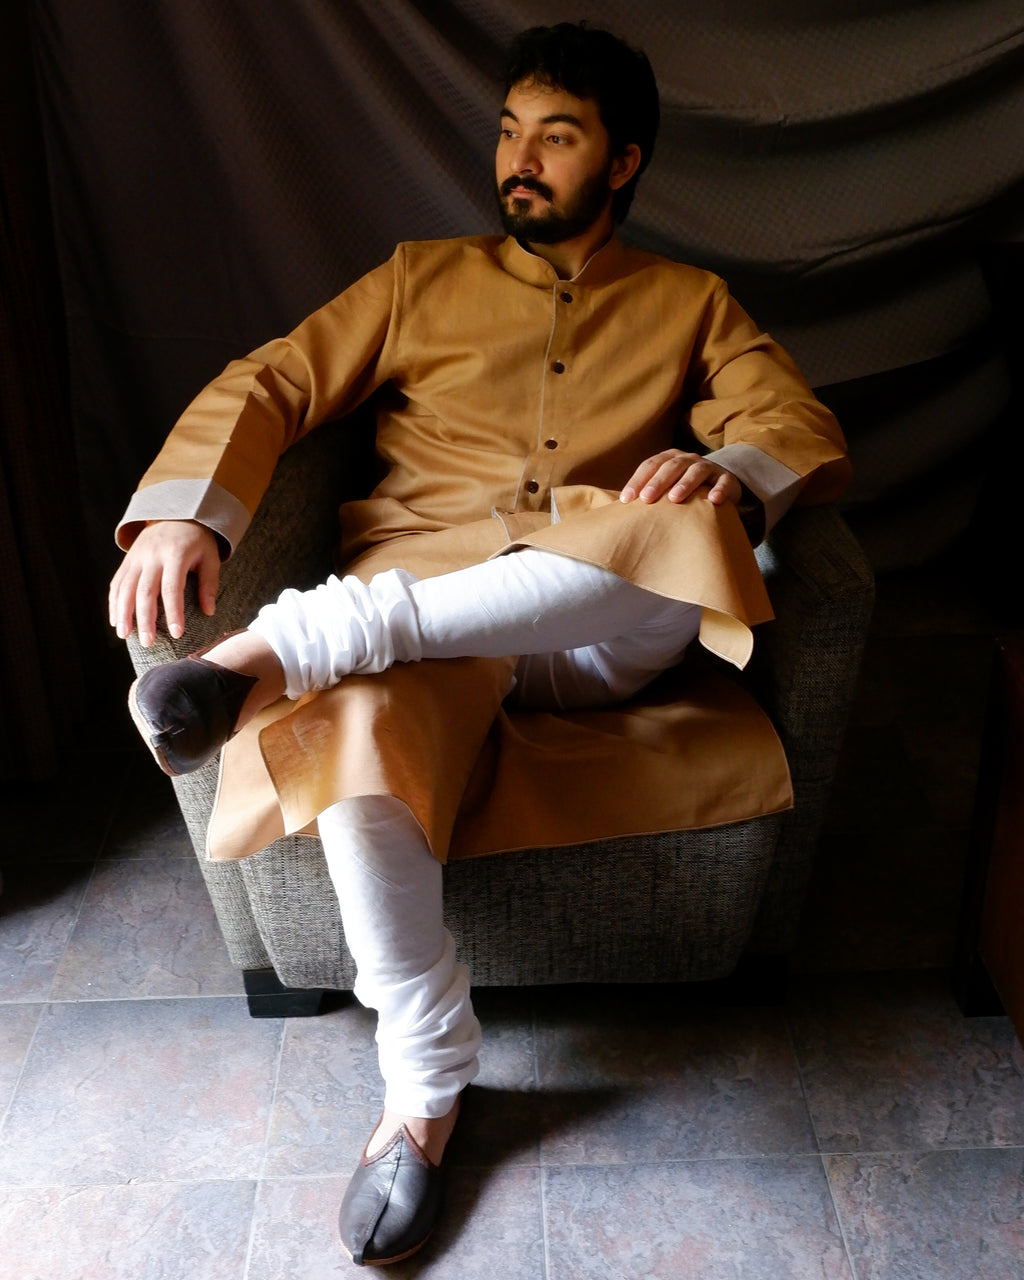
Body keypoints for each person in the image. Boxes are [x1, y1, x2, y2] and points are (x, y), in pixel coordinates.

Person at [109, 22, 850, 1267]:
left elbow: (792, 418)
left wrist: (726, 467)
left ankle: (309, 635)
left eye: (555, 137)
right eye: (509, 132)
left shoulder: (689, 302)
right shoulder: (419, 278)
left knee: (688, 528)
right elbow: (276, 379)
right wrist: (187, 511)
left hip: (593, 620)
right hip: (434, 627)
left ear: (621, 161)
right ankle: (423, 1085)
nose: (519, 159)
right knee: (352, 728)